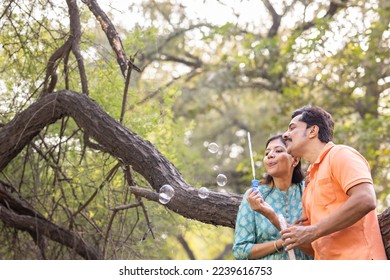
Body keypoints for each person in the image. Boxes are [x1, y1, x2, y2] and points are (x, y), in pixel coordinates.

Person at [280, 105, 387, 260]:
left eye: (292, 128)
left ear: (312, 131)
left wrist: (313, 230)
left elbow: (366, 199)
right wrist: (295, 234)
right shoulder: (309, 182)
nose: (285, 134)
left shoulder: (340, 154)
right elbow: (313, 244)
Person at [232, 134, 313, 260]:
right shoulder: (254, 195)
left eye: (279, 151)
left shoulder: (309, 190)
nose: (270, 155)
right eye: (267, 153)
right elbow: (240, 250)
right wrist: (280, 243)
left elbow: (319, 245)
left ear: (295, 160)